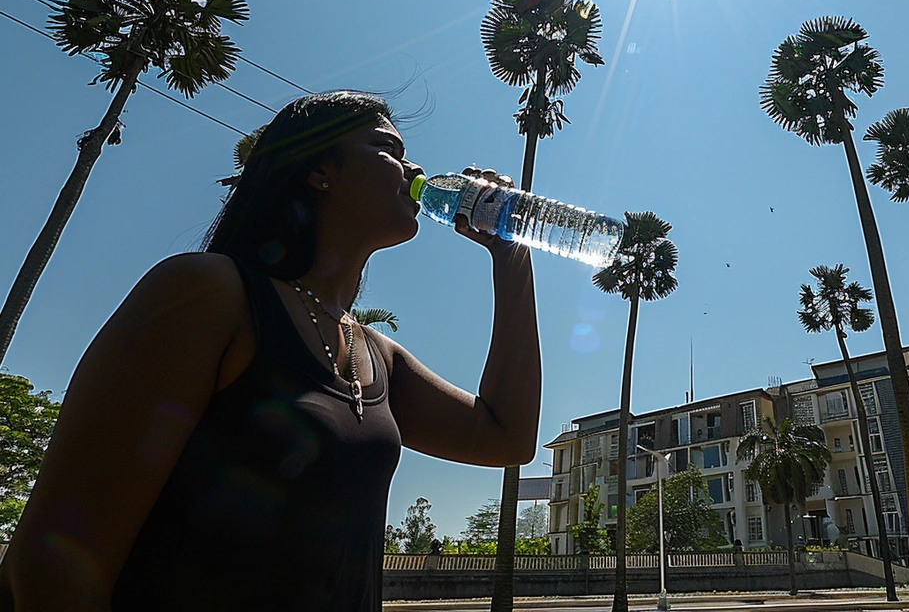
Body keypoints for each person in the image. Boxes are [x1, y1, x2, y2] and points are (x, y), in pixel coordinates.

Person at [0, 91, 541, 611]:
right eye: (388, 150)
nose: (413, 169)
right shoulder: (210, 295)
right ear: (318, 170)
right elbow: (51, 568)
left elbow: (506, 437)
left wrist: (511, 254)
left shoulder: (376, 355)